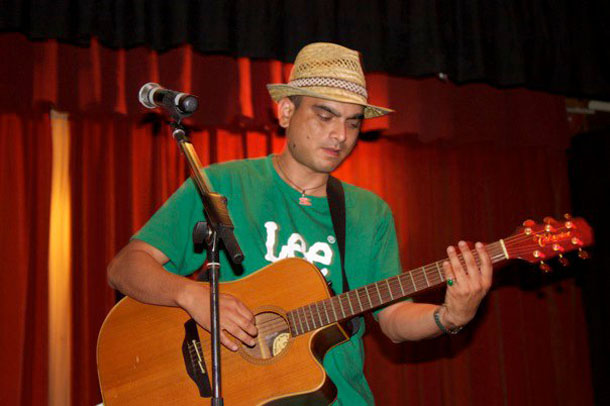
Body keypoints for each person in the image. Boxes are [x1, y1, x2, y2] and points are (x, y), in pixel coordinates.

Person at [107, 42, 492, 405]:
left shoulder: (369, 213)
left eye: (353, 123)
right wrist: (191, 296)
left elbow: (392, 319)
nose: (340, 135)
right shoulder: (222, 186)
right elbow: (125, 268)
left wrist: (449, 316)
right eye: (325, 116)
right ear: (286, 112)